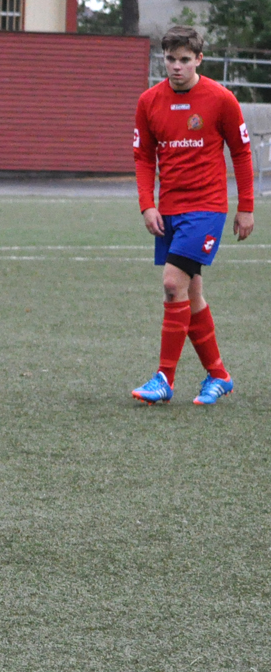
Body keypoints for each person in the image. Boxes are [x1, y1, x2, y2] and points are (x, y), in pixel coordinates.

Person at [132, 25, 254, 406]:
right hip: (169, 209)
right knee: (191, 292)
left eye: (185, 59)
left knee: (172, 284)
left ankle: (164, 379)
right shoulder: (149, 101)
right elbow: (143, 156)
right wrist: (147, 204)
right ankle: (219, 375)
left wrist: (246, 206)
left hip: (207, 207)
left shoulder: (221, 99)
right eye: (170, 59)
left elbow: (241, 152)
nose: (176, 66)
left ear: (199, 59)